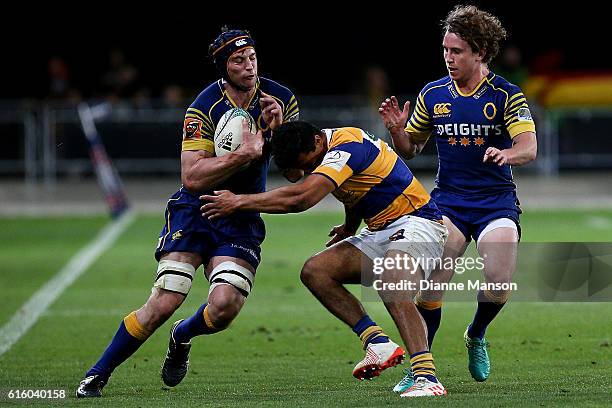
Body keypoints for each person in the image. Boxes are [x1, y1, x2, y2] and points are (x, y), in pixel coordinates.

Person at [76, 27, 299, 398]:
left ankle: (182, 336)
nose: (248, 66)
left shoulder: (281, 99)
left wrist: (280, 135)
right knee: (166, 298)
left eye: (252, 58)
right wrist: (242, 155)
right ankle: (98, 373)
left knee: (225, 305)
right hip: (196, 210)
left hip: (240, 214)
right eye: (238, 61)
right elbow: (192, 176)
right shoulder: (204, 106)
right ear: (223, 67)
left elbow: (294, 173)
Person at [201, 121, 449, 397]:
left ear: (319, 141)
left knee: (392, 283)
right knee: (316, 271)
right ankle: (377, 342)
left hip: (419, 223)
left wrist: (238, 201)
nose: (309, 171)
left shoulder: (346, 147)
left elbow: (301, 199)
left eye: (310, 164)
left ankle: (427, 377)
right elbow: (355, 189)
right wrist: (349, 227)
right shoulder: (327, 150)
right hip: (382, 229)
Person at [378, 5, 537, 392]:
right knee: (433, 282)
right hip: (448, 202)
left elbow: (528, 147)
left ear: (480, 51)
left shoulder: (505, 95)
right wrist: (398, 132)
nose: (449, 58)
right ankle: (419, 367)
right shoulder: (432, 94)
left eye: (458, 51)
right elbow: (411, 148)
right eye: (446, 50)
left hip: (495, 201)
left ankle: (477, 334)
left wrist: (506, 155)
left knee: (499, 280)